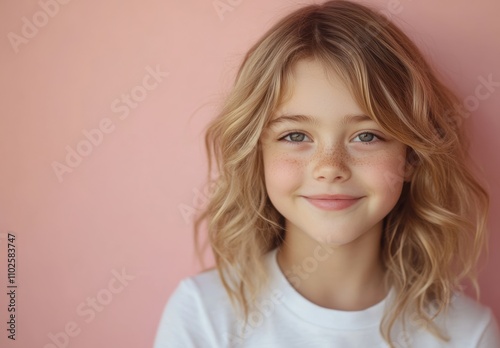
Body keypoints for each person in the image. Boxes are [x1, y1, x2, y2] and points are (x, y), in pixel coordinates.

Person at [153, 1, 500, 347]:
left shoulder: (466, 333)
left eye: (367, 136)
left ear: (410, 157)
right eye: (296, 136)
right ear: (257, 154)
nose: (330, 167)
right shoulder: (203, 313)